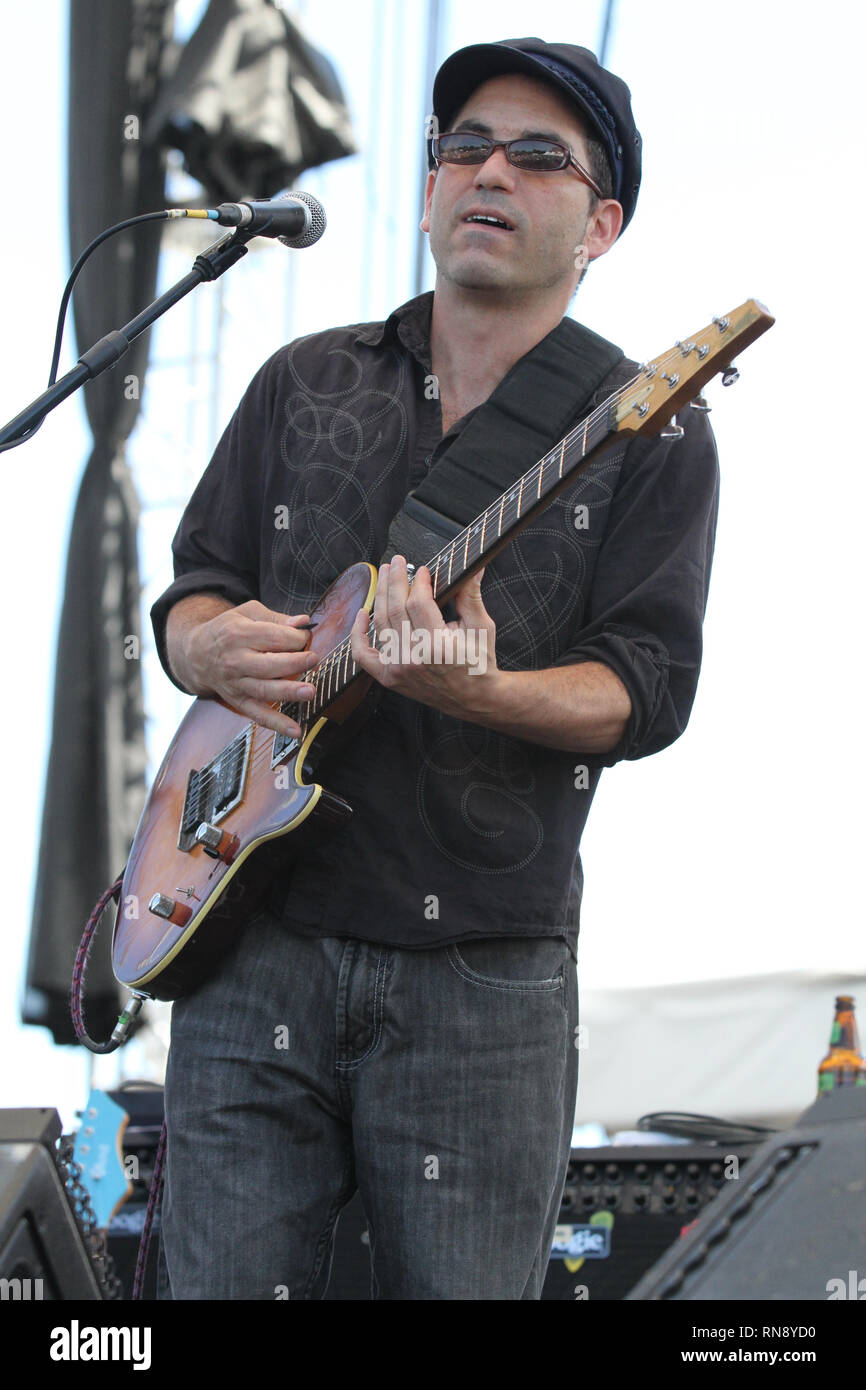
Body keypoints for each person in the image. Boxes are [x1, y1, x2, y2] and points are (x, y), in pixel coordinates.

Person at [151, 37, 719, 1300]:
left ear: (600, 222)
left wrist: (478, 688)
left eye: (535, 156)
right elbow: (194, 585)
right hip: (256, 925)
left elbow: (642, 689)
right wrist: (201, 639)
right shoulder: (301, 382)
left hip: (481, 973)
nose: (487, 172)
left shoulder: (650, 427)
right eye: (461, 145)